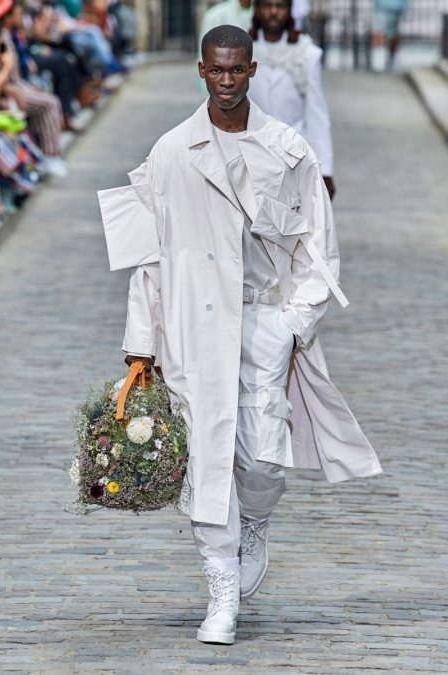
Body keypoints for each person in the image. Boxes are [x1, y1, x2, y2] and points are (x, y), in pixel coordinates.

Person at [98, 25, 382, 645]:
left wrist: (293, 322)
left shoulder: (287, 148)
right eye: (216, 70)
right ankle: (220, 590)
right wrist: (141, 343)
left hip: (262, 321)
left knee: (263, 460)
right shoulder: (171, 151)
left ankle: (254, 523)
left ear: (252, 70)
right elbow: (146, 258)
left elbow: (318, 244)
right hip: (192, 326)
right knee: (204, 458)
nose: (226, 81)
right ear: (201, 71)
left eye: (237, 70)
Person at [248, 0, 335, 199]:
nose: (273, 12)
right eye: (266, 6)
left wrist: (326, 170)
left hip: (295, 158)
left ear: (289, 10)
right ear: (257, 9)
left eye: (279, 6)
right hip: (250, 156)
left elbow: (316, 114)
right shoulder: (243, 51)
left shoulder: (307, 54)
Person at [0, 0, 67, 177]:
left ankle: (42, 154)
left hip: (15, 85)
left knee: (45, 90)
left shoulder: (9, 35)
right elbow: (4, 79)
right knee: (50, 103)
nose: (21, 17)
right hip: (8, 91)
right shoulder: (3, 40)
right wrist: (8, 72)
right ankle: (49, 156)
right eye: (18, 13)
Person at [371, 0, 408, 72]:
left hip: (394, 8)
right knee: (380, 33)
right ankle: (380, 61)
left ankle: (390, 60)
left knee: (393, 35)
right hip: (384, 8)